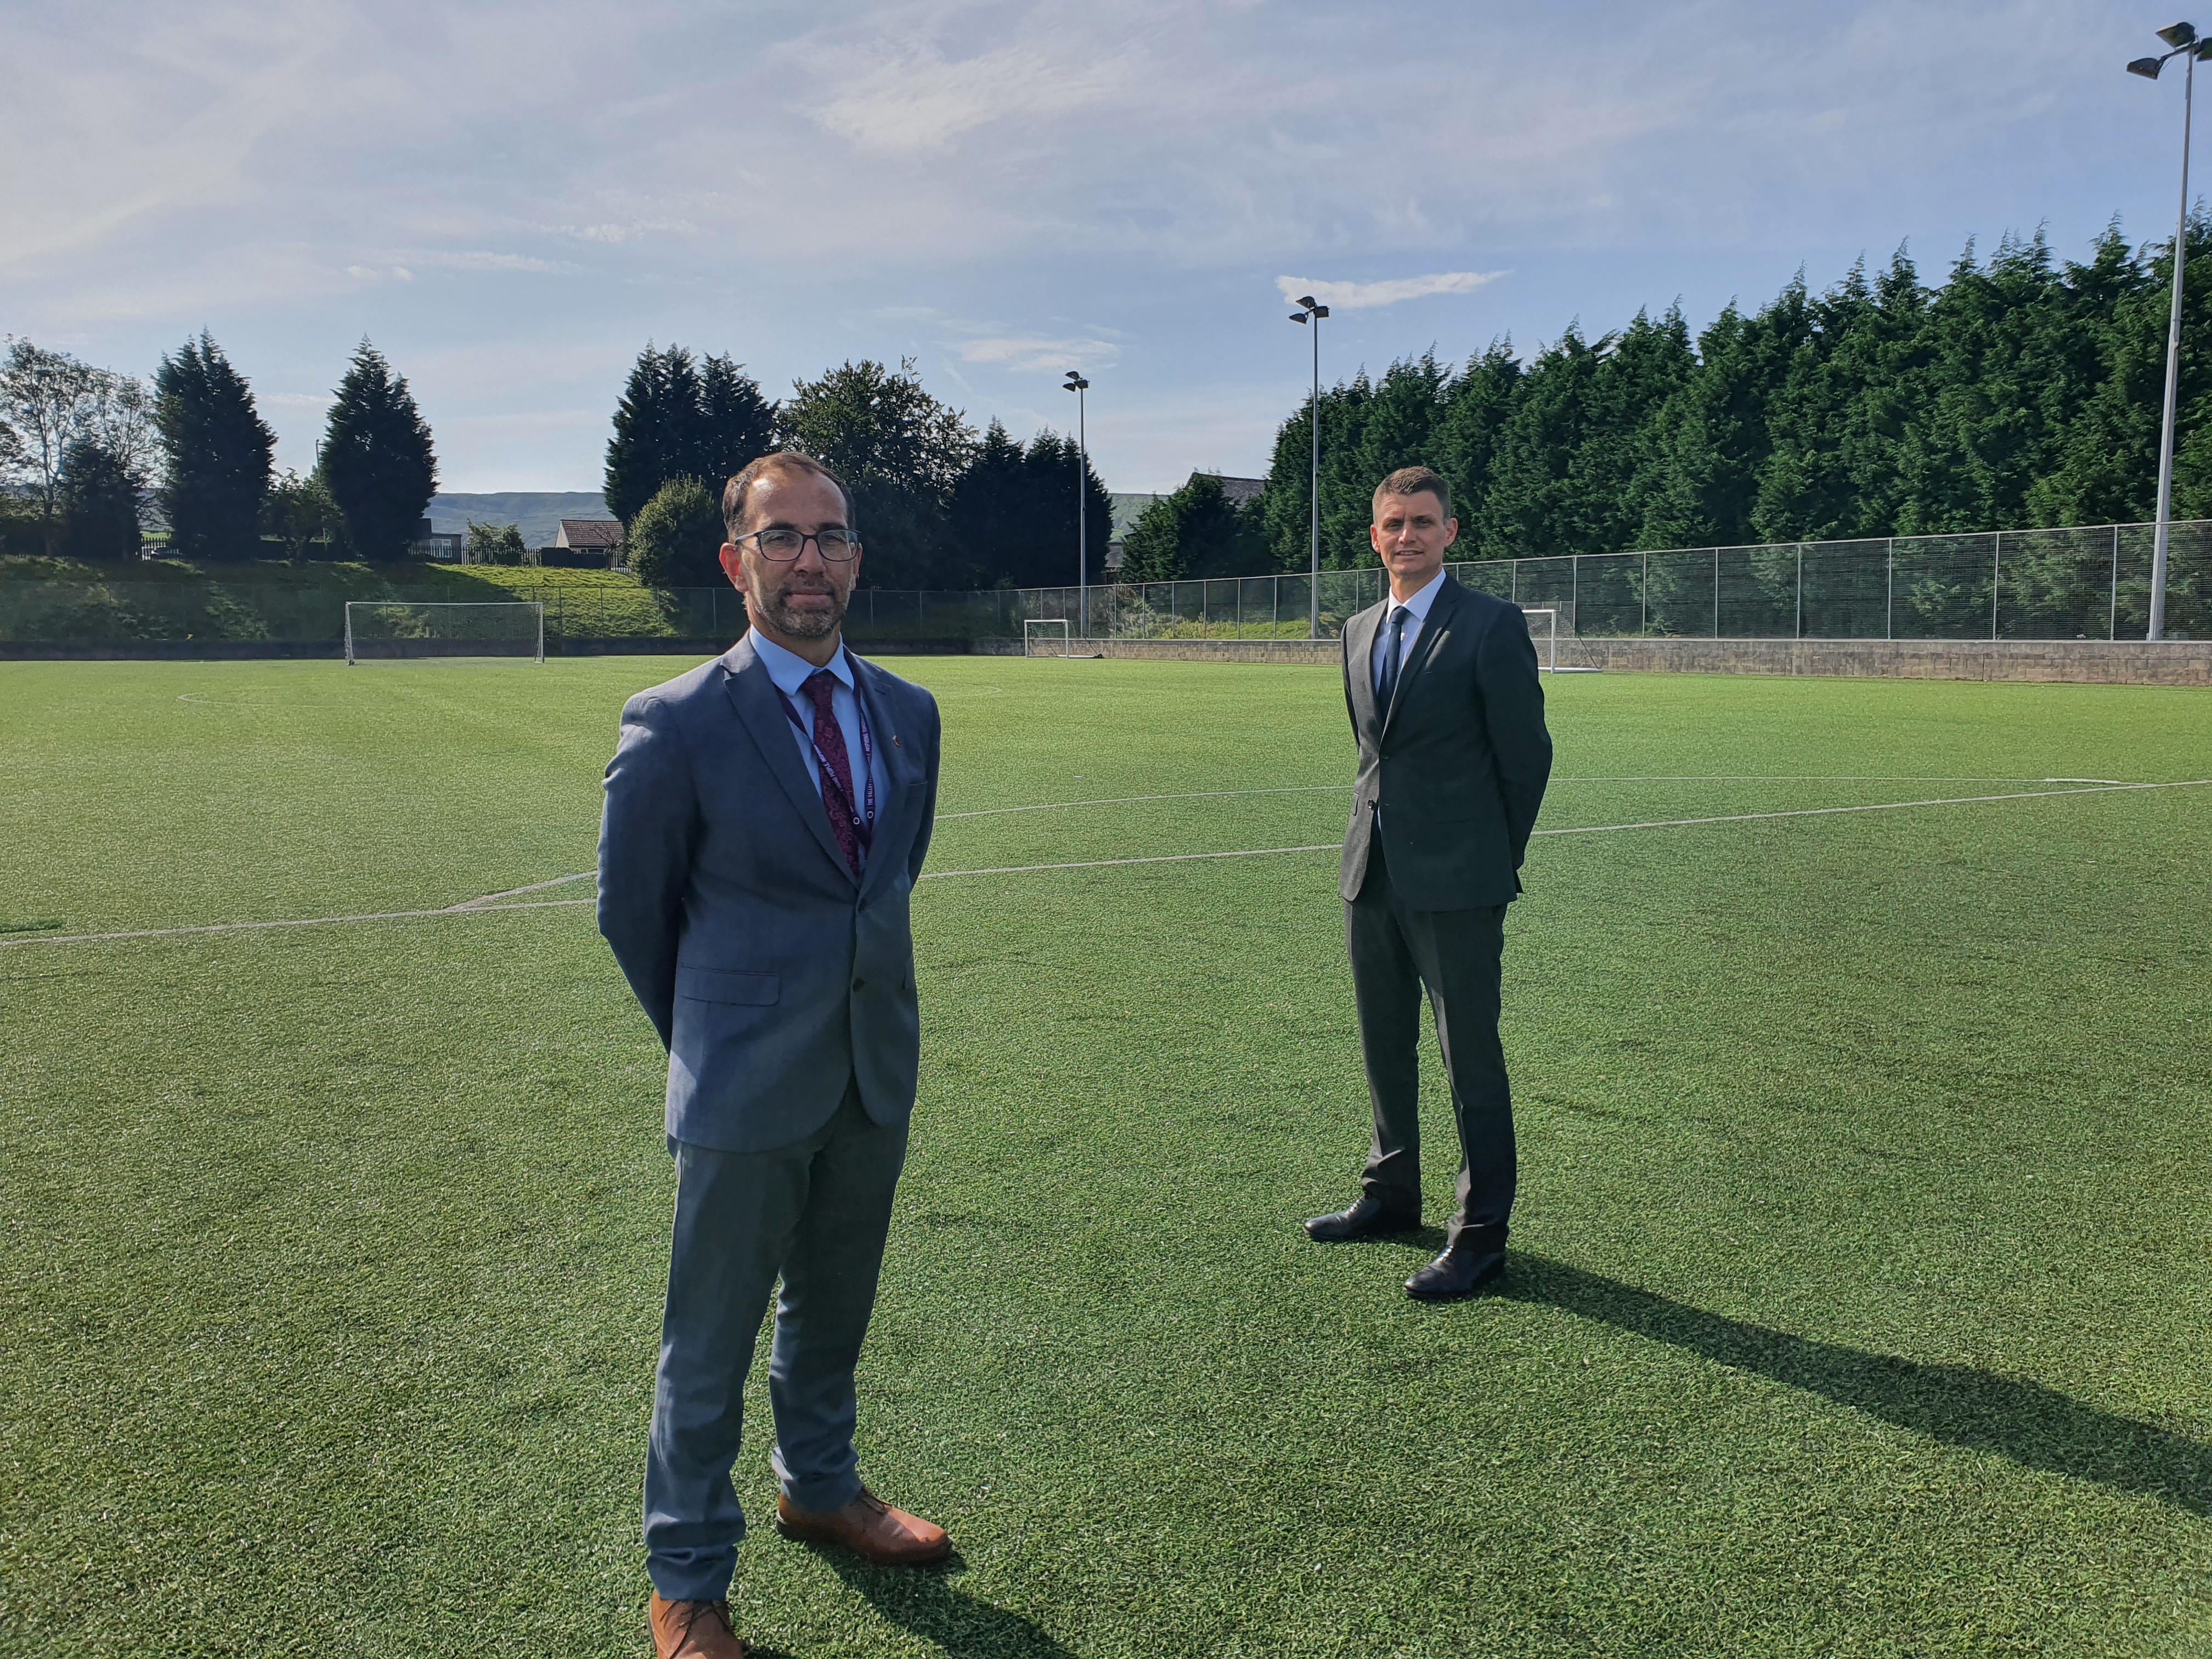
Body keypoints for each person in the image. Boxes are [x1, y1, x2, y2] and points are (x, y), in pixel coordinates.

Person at [597, 452, 948, 1659]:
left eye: (831, 536)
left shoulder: (908, 711)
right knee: (709, 1341)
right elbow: (632, 912)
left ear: (856, 556)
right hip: (742, 1080)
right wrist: (712, 1033)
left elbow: (889, 882)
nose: (811, 560)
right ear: (735, 560)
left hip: (871, 1066)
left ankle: (821, 1485)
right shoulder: (678, 720)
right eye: (784, 537)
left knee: (833, 1311)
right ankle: (687, 1578)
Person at [1305, 465, 1553, 1302]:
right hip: (1370, 868)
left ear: (1450, 532)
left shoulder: (1490, 625)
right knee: (1384, 1044)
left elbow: (1526, 759)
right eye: (1393, 524)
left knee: (1469, 1058)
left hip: (1460, 881)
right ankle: (1390, 1192)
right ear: (1374, 536)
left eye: (1422, 522)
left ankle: (1481, 1235)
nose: (1406, 535)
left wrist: (1490, 859)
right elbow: (1374, 753)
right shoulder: (1357, 628)